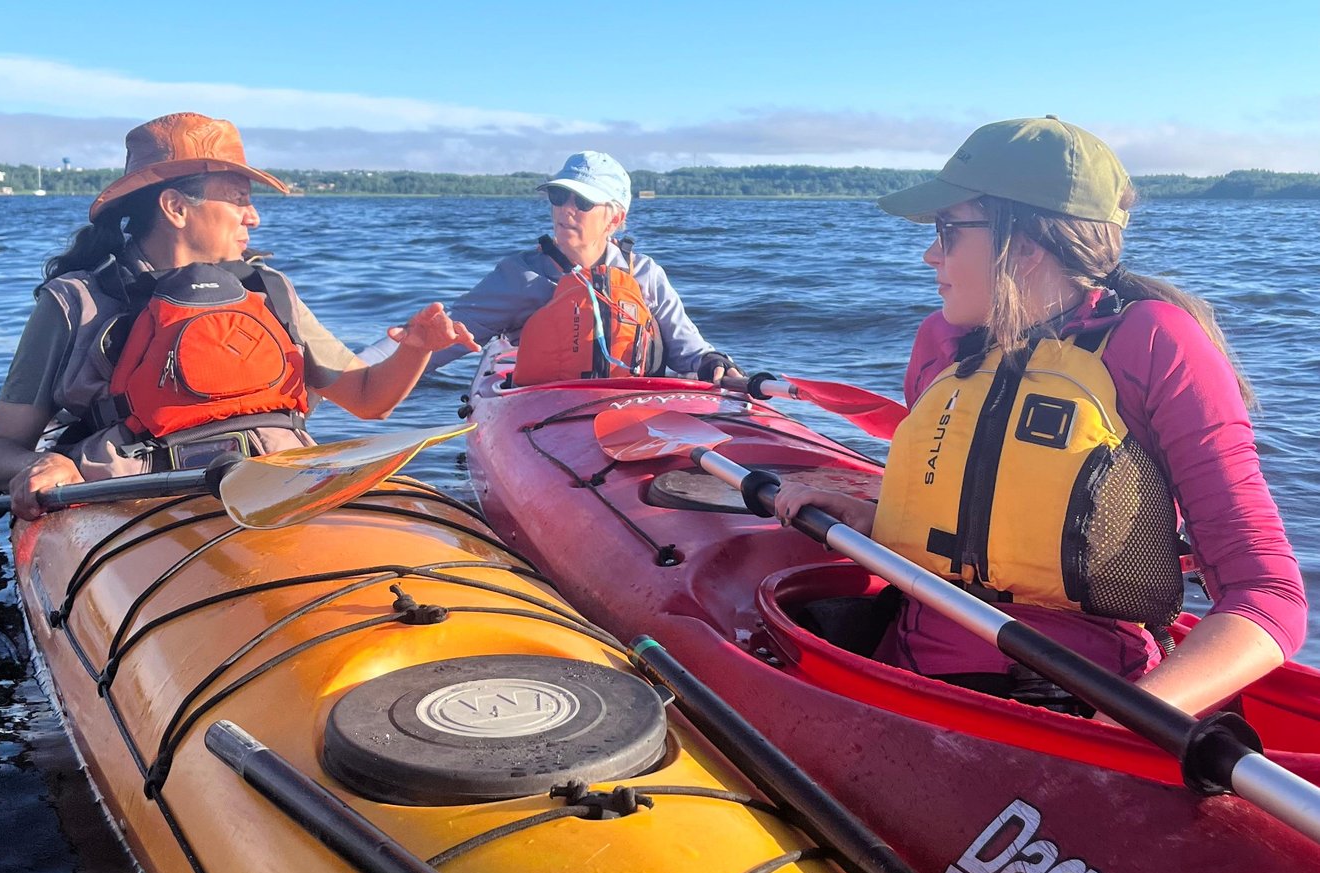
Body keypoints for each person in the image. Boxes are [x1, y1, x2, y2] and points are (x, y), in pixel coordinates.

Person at [774, 116, 1306, 717]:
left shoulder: (1155, 343)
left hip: (1078, 700)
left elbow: (1267, 599)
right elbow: (977, 517)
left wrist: (1124, 724)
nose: (928, 255)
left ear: (1024, 244)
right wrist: (877, 522)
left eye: (949, 231)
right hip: (906, 675)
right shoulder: (941, 343)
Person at [0, 112, 476, 520]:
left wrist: (415, 349)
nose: (253, 217)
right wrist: (43, 464)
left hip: (271, 494)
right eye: (239, 200)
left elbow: (370, 400)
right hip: (129, 511)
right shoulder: (76, 303)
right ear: (175, 206)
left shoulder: (268, 292)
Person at [366, 151, 738, 384]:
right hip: (546, 416)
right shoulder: (521, 277)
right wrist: (346, 374)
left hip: (630, 411)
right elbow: (436, 342)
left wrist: (714, 363)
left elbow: (689, 351)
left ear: (615, 218)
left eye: (583, 201)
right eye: (559, 196)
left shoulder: (645, 275)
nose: (566, 209)